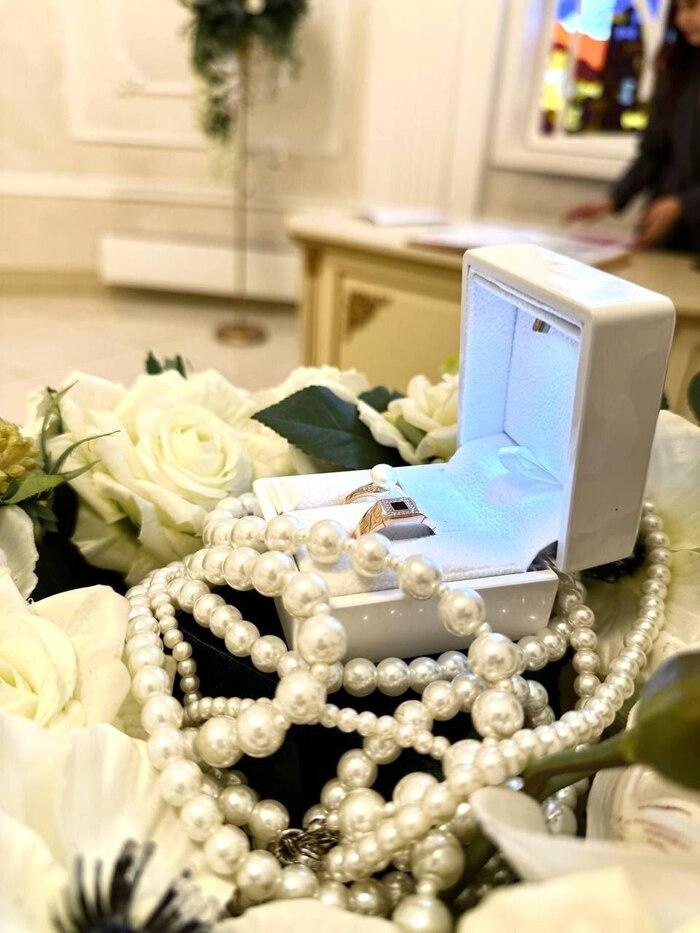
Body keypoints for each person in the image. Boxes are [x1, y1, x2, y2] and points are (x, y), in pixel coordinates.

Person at [566, 0, 700, 251]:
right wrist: (613, 199)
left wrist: (685, 205)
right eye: (678, 9)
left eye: (692, 7)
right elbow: (654, 150)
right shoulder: (679, 70)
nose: (683, 18)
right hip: (668, 235)